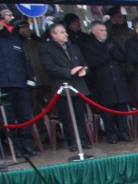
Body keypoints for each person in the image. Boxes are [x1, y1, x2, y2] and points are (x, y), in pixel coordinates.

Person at [38, 22, 92, 151]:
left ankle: (82, 140)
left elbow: (84, 62)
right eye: (62, 32)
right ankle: (72, 142)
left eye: (65, 32)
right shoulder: (46, 48)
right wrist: (68, 72)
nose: (66, 34)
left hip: (78, 86)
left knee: (80, 115)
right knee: (67, 117)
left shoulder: (73, 47)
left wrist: (84, 69)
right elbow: (49, 66)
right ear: (53, 35)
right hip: (62, 87)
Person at [81, 21, 133, 144]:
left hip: (118, 79)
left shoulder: (112, 42)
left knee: (121, 107)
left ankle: (123, 132)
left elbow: (122, 57)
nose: (104, 33)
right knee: (107, 109)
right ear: (94, 32)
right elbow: (93, 62)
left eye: (105, 30)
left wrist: (113, 51)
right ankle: (111, 134)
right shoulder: (89, 45)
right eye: (101, 31)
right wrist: (106, 53)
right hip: (103, 81)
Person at [0, 17, 37, 155]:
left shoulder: (14, 39)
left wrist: (30, 77)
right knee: (8, 117)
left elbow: (24, 60)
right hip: (2, 86)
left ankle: (26, 143)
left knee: (25, 115)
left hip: (19, 83)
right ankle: (14, 145)